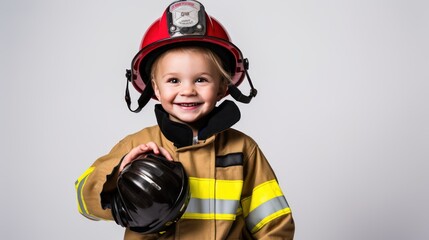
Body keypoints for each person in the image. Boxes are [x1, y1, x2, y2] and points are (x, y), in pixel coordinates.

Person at [75, 0, 295, 239]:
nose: (188, 90)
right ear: (155, 89)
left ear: (223, 87)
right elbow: (86, 203)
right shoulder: (136, 146)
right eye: (173, 80)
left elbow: (274, 225)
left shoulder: (243, 151)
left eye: (201, 79)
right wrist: (120, 173)